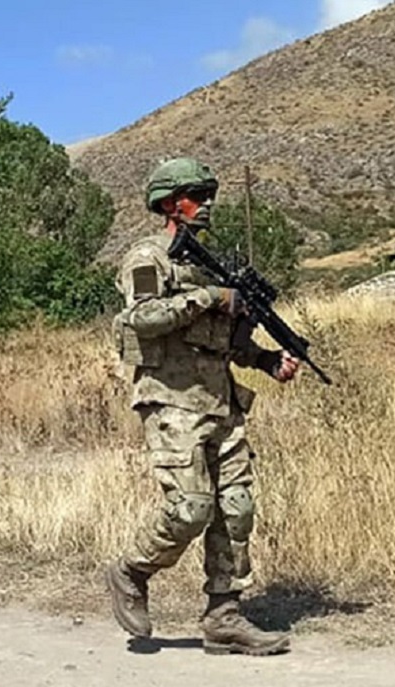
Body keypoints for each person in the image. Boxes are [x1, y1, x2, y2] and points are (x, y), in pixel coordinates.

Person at [105, 156, 299, 657]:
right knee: (190, 509)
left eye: (209, 194)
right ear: (171, 203)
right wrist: (209, 297)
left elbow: (223, 344)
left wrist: (267, 358)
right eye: (198, 195)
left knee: (236, 510)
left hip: (221, 402)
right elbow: (141, 318)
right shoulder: (150, 258)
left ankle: (224, 617)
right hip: (172, 403)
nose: (208, 203)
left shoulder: (205, 265)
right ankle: (132, 569)